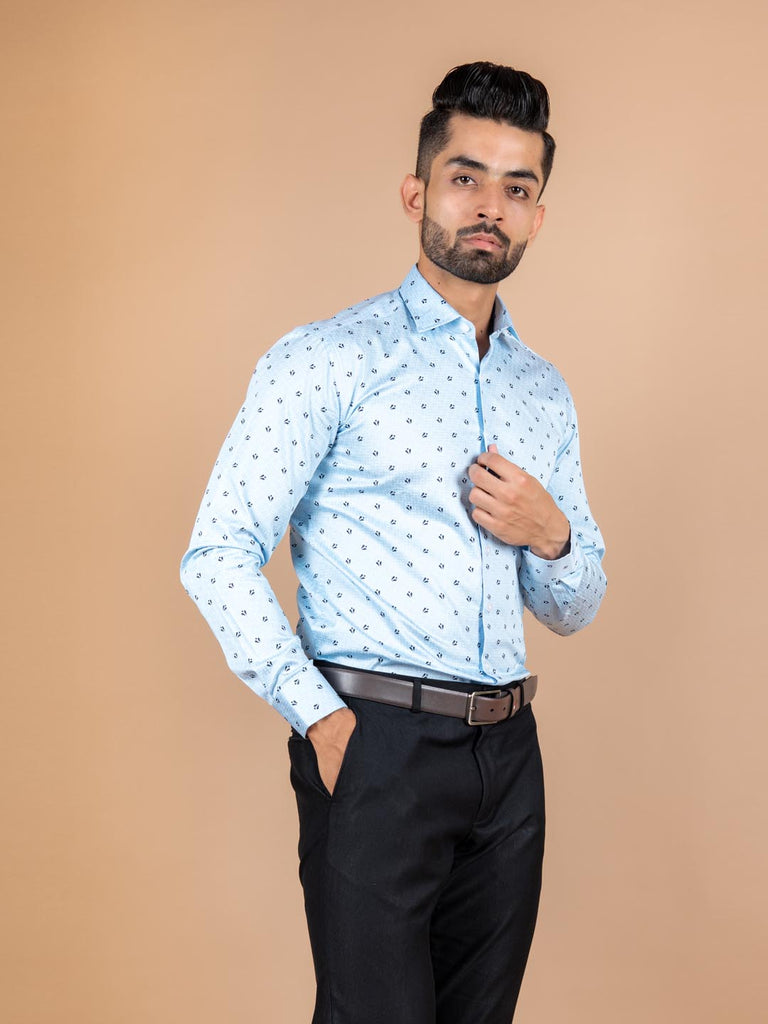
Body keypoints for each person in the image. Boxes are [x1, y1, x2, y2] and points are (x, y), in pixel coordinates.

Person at [180, 60, 606, 1024]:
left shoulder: (544, 393)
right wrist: (322, 723)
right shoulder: (327, 359)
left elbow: (575, 608)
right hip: (377, 744)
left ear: (538, 216)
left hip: (509, 760)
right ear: (417, 193)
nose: (489, 206)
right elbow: (217, 552)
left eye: (517, 188)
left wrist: (552, 535)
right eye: (466, 177)